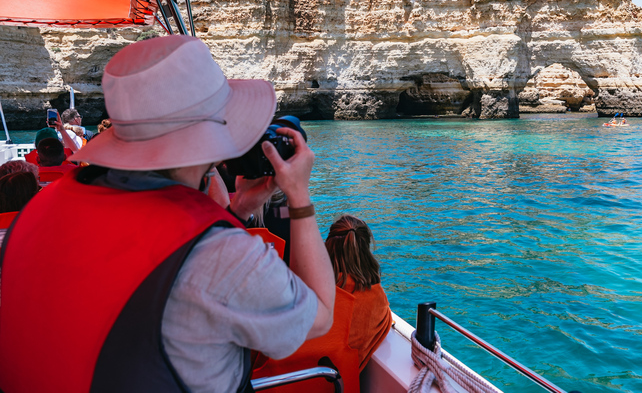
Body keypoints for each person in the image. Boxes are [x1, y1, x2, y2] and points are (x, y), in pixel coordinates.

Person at [0, 35, 335, 393]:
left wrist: (234, 213)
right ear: (213, 133)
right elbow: (320, 314)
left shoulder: (39, 208)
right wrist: (298, 194)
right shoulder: (221, 256)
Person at [325, 215, 392, 370]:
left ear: (327, 246)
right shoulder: (376, 299)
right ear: (365, 251)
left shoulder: (308, 289)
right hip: (338, 385)